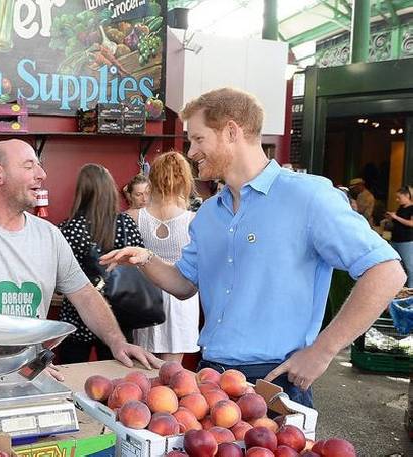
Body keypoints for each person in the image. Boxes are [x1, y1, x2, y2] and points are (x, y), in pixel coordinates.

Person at [100, 88, 405, 407]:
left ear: (231, 132)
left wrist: (322, 351)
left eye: (199, 139)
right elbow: (184, 284)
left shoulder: (309, 197)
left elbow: (387, 271)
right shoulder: (207, 214)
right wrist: (145, 258)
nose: (191, 152)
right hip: (210, 379)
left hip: (275, 380)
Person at [0, 140, 161, 379]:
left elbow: (84, 294)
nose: (42, 175)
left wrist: (117, 341)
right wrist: (17, 359)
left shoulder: (49, 234)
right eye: (29, 166)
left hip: (29, 373)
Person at [58, 164, 145, 363]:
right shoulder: (126, 223)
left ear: (82, 191)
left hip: (77, 313)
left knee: (72, 376)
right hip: (119, 313)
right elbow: (140, 264)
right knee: (119, 376)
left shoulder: (69, 228)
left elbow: (60, 276)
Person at [128, 151, 200, 363]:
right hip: (182, 295)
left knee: (143, 367)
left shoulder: (133, 217)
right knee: (173, 373)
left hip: (145, 295)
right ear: (184, 180)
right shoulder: (194, 219)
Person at [386, 186, 413, 287]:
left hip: (406, 241)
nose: (397, 200)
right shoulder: (401, 207)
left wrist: (396, 217)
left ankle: (411, 289)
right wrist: (391, 218)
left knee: (409, 266)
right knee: (394, 264)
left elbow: (411, 223)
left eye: (399, 197)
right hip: (395, 239)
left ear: (407, 196)